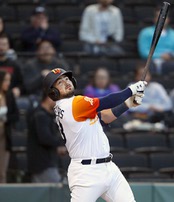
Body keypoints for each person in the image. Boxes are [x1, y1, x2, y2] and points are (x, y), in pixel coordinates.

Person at [43, 68, 146, 201]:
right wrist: (131, 90)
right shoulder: (73, 104)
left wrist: (128, 104)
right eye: (60, 82)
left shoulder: (72, 105)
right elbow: (106, 102)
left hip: (109, 168)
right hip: (86, 174)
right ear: (53, 92)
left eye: (67, 79)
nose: (66, 82)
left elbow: (103, 118)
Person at [27, 92, 67, 183]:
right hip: (42, 164)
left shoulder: (49, 115)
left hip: (49, 162)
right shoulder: (40, 115)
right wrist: (61, 143)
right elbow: (45, 138)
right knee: (61, 189)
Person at [138, 8, 174, 73]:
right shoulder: (145, 33)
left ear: (168, 19)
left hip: (173, 61)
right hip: (155, 61)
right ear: (154, 19)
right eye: (159, 16)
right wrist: (160, 56)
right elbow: (144, 52)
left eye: (165, 16)